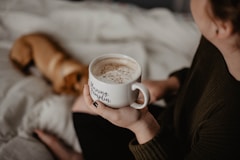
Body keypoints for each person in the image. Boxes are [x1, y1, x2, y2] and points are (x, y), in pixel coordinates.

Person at [35, 0, 240, 159]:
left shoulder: (229, 131)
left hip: (168, 149)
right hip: (175, 124)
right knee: (83, 108)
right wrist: (170, 84)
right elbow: (207, 78)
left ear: (222, 26)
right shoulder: (224, 41)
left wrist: (142, 125)